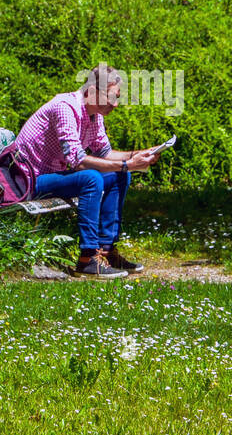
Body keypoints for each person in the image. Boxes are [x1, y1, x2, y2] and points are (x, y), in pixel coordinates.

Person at [12, 64, 157, 279]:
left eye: (117, 98)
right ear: (91, 92)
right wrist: (128, 163)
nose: (115, 105)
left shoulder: (94, 114)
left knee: (120, 175)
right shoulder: (64, 107)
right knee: (91, 178)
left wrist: (140, 154)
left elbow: (105, 153)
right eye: (111, 98)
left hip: (54, 176)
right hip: (30, 180)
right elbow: (78, 161)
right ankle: (87, 259)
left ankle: (106, 251)